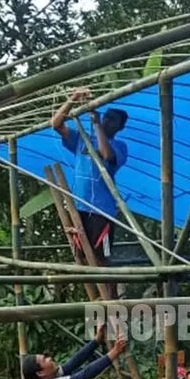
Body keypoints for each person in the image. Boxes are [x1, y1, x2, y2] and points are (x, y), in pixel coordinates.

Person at [51, 88, 130, 265]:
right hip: (80, 205)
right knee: (81, 251)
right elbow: (56, 124)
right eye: (106, 117)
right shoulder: (82, 138)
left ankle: (109, 292)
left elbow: (107, 155)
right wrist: (74, 98)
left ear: (120, 127)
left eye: (112, 120)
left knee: (103, 254)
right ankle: (93, 291)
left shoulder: (120, 146)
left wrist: (96, 124)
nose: (107, 121)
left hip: (103, 211)